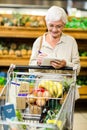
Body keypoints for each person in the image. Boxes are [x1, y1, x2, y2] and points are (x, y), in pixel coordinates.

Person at [29, 5, 80, 75]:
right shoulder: (39, 42)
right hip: (43, 85)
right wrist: (38, 63)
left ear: (64, 25)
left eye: (58, 26)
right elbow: (30, 70)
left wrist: (66, 64)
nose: (54, 30)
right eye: (51, 25)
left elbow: (77, 70)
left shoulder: (71, 42)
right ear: (46, 24)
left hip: (64, 85)